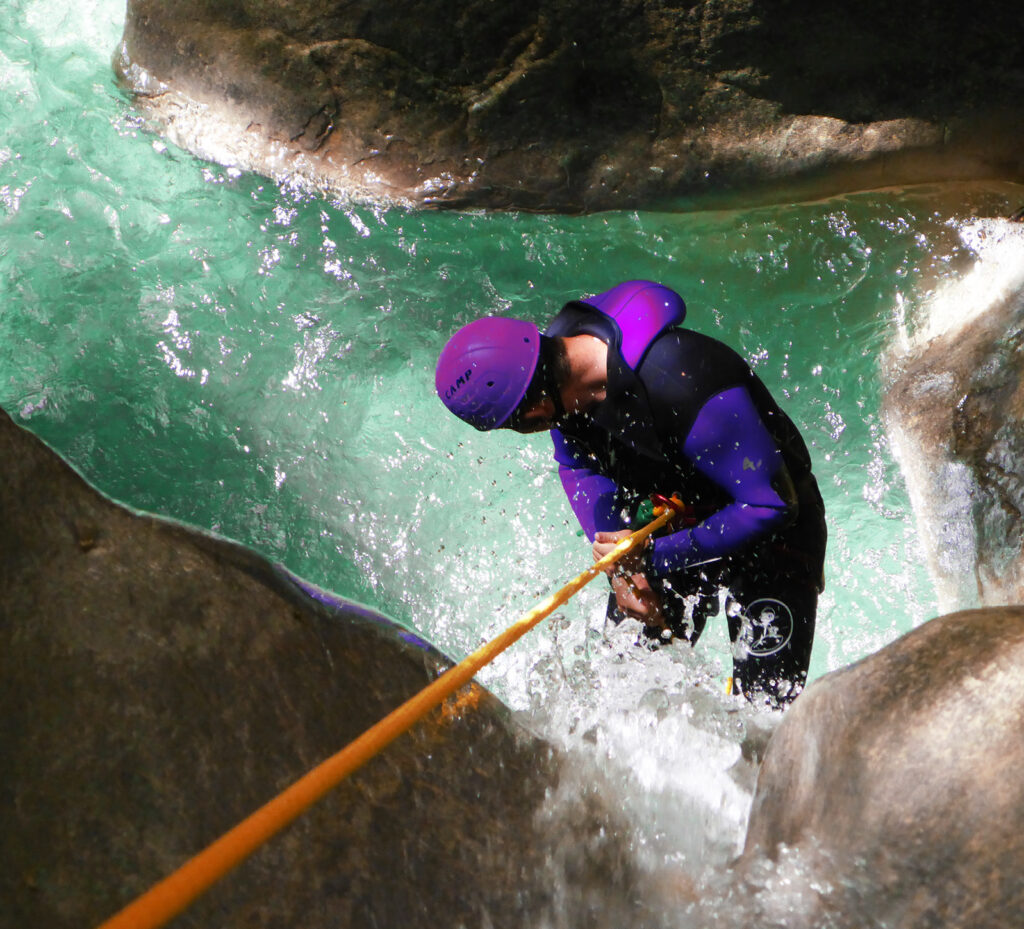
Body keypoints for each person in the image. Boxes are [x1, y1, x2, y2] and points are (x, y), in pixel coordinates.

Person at [435, 280, 826, 707]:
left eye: (514, 424)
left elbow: (770, 504)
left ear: (534, 411)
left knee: (767, 710)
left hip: (772, 535)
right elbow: (577, 465)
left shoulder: (681, 381)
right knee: (621, 692)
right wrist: (619, 563)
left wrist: (652, 555)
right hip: (671, 519)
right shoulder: (560, 380)